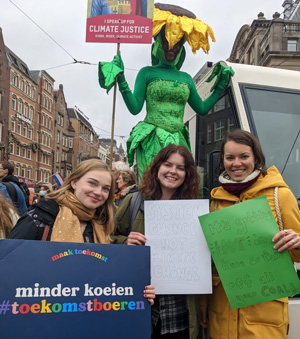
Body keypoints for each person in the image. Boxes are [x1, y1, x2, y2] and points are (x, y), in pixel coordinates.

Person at [99, 3, 234, 178]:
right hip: (153, 140)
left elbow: (201, 109)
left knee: (179, 184)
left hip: (179, 141)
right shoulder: (146, 73)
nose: (173, 47)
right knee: (153, 184)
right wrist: (122, 78)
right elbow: (135, 108)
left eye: (178, 43)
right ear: (158, 42)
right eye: (167, 41)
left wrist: (221, 85)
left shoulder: (186, 78)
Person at [9, 159, 155, 304]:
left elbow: (109, 280)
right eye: (92, 183)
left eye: (105, 189)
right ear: (74, 182)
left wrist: (139, 291)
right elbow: (9, 265)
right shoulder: (41, 216)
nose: (98, 192)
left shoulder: (102, 225)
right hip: (43, 311)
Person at [200, 129, 300, 339]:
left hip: (264, 317)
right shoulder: (216, 202)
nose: (237, 163)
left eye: (244, 156)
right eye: (230, 157)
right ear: (223, 161)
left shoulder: (280, 195)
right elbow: (209, 262)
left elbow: (297, 254)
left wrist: (298, 243)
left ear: (256, 158)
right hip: (222, 314)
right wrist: (203, 305)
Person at [112, 144, 201, 339]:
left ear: (187, 173)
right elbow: (109, 240)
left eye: (180, 167)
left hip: (180, 313)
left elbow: (206, 258)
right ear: (157, 167)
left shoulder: (195, 209)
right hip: (140, 308)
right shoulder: (134, 201)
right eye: (168, 164)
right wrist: (126, 242)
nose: (173, 171)